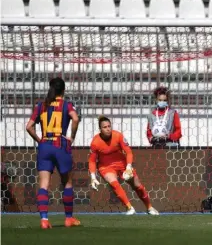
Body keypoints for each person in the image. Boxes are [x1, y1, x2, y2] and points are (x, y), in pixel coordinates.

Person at [25, 77, 80, 229]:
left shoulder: (41, 106)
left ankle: (44, 220)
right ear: (63, 90)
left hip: (45, 145)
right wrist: (72, 137)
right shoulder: (66, 105)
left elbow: (29, 126)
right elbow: (75, 119)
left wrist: (39, 140)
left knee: (43, 184)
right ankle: (68, 219)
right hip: (60, 144)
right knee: (67, 182)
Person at [89, 116, 159, 215]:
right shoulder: (95, 142)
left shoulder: (118, 136)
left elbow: (128, 152)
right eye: (105, 127)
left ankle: (149, 207)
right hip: (106, 167)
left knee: (138, 186)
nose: (108, 129)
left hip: (122, 164)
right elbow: (92, 161)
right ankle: (129, 208)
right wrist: (93, 176)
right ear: (100, 129)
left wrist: (129, 166)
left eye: (109, 126)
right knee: (114, 183)